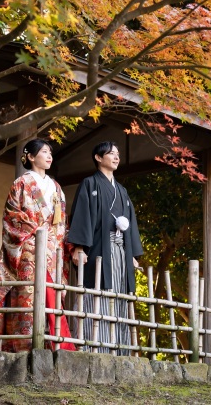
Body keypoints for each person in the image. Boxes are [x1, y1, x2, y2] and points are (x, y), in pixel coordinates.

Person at [0, 138, 76, 352]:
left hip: (52, 249)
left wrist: (57, 239)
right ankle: (24, 344)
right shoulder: (21, 183)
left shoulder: (56, 187)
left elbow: (61, 221)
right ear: (31, 157)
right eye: (44, 152)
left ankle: (53, 343)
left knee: (51, 294)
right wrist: (35, 231)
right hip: (28, 248)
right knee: (28, 294)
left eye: (50, 152)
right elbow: (11, 217)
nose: (49, 156)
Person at [67, 141, 143, 354]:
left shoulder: (122, 191)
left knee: (120, 293)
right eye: (111, 154)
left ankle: (119, 348)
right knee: (96, 292)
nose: (116, 157)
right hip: (99, 250)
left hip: (120, 250)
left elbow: (130, 222)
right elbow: (82, 215)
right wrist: (79, 247)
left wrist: (132, 254)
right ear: (99, 158)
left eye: (118, 154)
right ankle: (92, 346)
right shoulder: (89, 184)